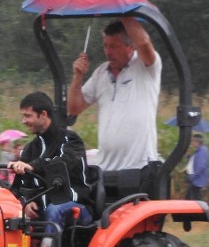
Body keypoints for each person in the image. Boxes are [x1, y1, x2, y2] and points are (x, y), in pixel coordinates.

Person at [68, 18, 162, 171]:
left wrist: (121, 12)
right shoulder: (100, 73)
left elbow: (144, 42)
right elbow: (74, 108)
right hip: (105, 168)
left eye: (114, 46)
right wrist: (77, 77)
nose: (108, 52)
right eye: (105, 46)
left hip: (139, 167)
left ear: (131, 46)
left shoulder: (146, 66)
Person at [7, 92, 95, 233]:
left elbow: (63, 163)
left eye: (27, 116)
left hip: (75, 206)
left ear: (43, 115)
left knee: (54, 210)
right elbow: (18, 187)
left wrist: (33, 166)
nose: (23, 121)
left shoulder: (70, 141)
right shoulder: (30, 149)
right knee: (9, 215)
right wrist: (25, 202)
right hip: (43, 209)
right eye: (23, 116)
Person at [185, 133, 209, 201]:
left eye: (192, 141)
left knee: (193, 200)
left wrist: (193, 177)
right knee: (193, 199)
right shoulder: (198, 151)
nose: (191, 143)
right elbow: (195, 163)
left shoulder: (202, 151)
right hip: (195, 180)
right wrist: (189, 156)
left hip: (197, 181)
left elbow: (201, 166)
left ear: (197, 142)